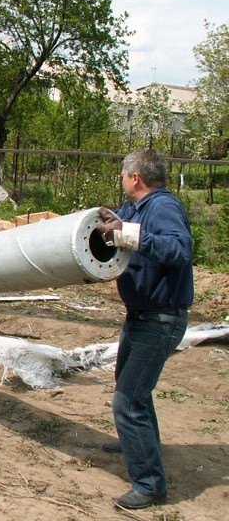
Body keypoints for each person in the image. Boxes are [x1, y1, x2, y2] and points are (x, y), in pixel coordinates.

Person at [96, 149, 193, 510]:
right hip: (140, 315)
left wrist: (130, 234)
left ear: (135, 177)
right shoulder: (136, 207)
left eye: (123, 175)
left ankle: (150, 484)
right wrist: (115, 220)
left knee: (129, 398)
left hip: (160, 318)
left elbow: (179, 249)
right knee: (131, 386)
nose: (122, 180)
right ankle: (135, 440)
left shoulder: (163, 207)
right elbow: (127, 228)